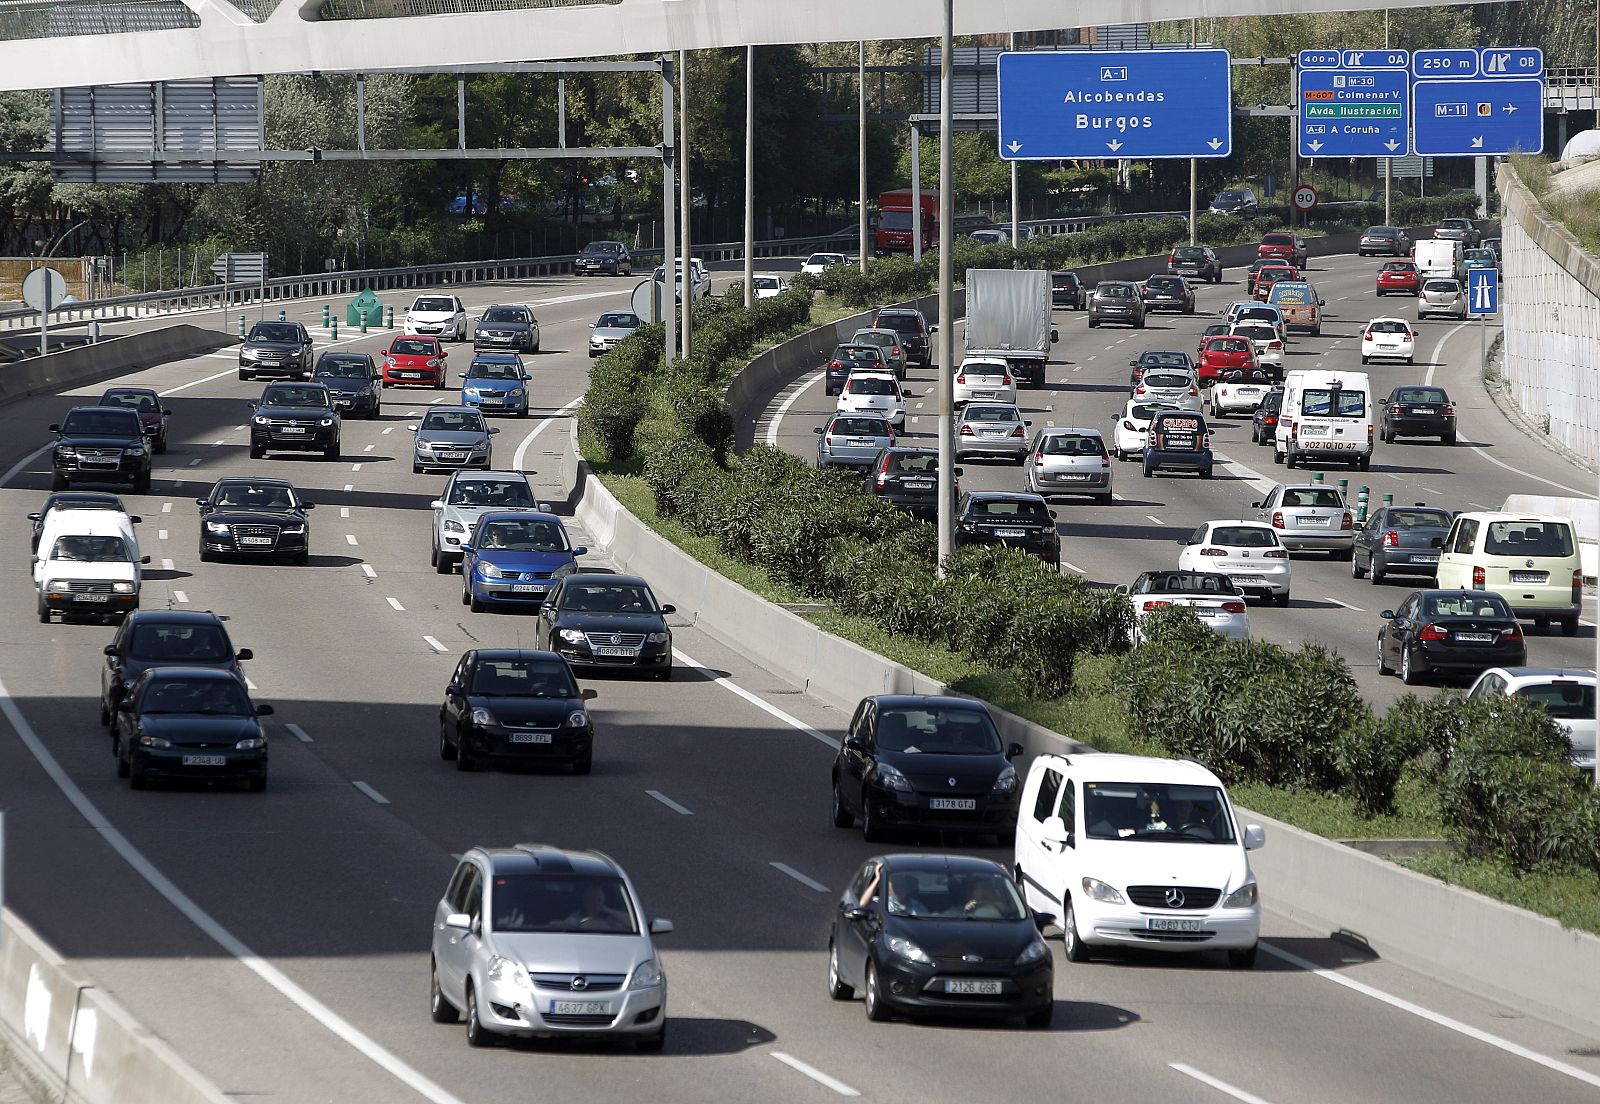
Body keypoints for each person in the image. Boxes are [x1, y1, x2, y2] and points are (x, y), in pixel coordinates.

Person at [567, 883, 631, 931]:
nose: (595, 903)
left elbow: (632, 923)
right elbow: (566, 926)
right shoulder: (577, 916)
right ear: (584, 900)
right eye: (591, 899)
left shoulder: (611, 917)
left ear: (603, 900)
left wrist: (608, 910)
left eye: (598, 899)